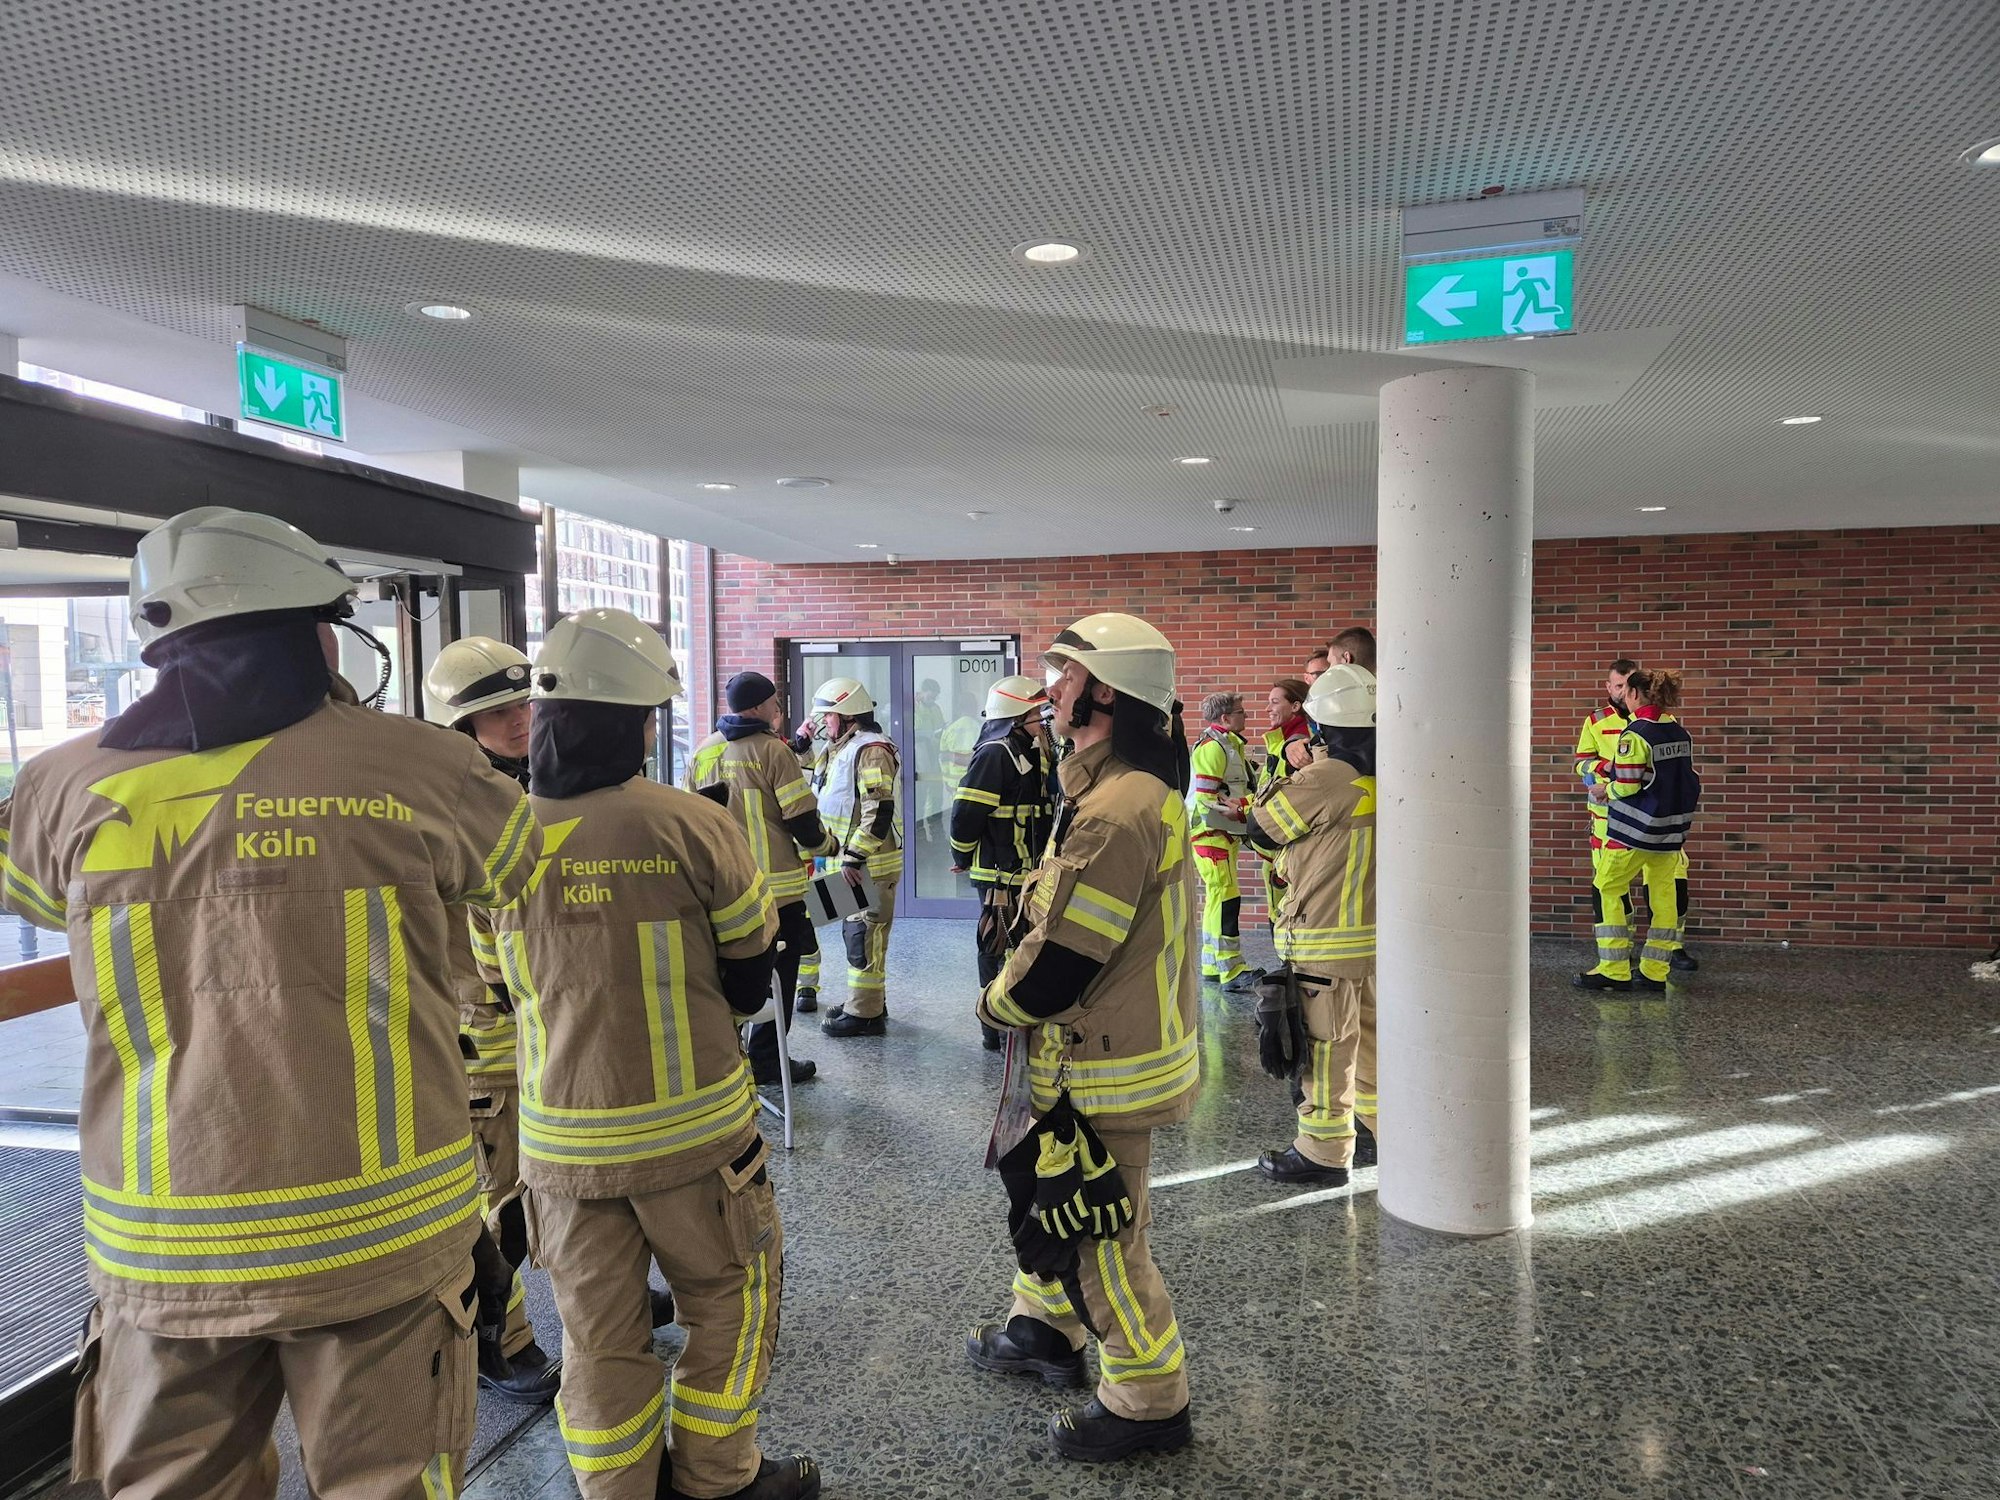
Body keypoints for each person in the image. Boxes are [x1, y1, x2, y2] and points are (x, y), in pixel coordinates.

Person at [0, 507, 539, 1497]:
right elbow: (511, 872)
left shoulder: (55, 786)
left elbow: (32, 895)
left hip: (160, 1247)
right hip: (378, 1238)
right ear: (313, 629)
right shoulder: (424, 768)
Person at [485, 608, 818, 1500]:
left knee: (598, 1337)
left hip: (559, 1150)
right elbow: (752, 983)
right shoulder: (687, 823)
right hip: (696, 1141)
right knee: (731, 1304)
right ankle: (715, 1477)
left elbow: (495, 988)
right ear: (638, 718)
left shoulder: (500, 839)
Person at [967, 611, 1198, 1464]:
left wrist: (995, 1006)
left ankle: (1147, 1401)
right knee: (1052, 1201)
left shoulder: (1115, 811)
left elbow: (1062, 963)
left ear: (1107, 691)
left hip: (1100, 1065)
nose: (1049, 689)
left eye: (1063, 675)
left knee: (1103, 1239)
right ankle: (1043, 1329)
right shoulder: (1113, 789)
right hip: (1089, 1058)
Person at [424, 636, 568, 1405]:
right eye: (498, 712)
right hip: (481, 1033)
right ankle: (500, 1343)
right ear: (459, 725)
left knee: (552, 1180)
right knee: (499, 1194)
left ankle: (577, 1297)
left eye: (524, 705)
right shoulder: (447, 801)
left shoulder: (517, 786)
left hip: (539, 1025)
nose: (520, 721)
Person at [1245, 665, 1379, 1183]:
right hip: (1374, 942)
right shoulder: (1390, 773)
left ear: (1321, 727)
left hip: (1323, 941)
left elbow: (1262, 828)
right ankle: (1372, 1131)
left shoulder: (1325, 778)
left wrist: (1293, 765)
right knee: (1369, 1044)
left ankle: (1323, 1154)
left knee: (1323, 1052)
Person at [688, 671, 838, 1086]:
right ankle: (768, 1062)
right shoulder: (773, 751)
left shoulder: (702, 751)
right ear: (757, 707)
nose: (779, 710)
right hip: (776, 893)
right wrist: (829, 846)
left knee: (725, 977)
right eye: (774, 703)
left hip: (718, 891)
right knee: (777, 977)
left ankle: (726, 1060)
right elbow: (802, 820)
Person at [1574, 668, 1700, 994]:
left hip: (1635, 830)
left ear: (1633, 695)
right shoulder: (1678, 732)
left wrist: (1605, 791)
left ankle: (1614, 969)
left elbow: (1628, 786)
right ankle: (1655, 972)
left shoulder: (1635, 733)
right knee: (1663, 897)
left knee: (1606, 885)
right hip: (1670, 833)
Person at [949, 674, 1057, 1051]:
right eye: (1036, 714)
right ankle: (991, 1025)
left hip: (1027, 870)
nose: (1043, 721)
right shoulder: (996, 753)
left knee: (1024, 945)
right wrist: (960, 855)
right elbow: (965, 813)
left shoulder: (1034, 749)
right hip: (998, 872)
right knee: (994, 944)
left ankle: (1015, 1015)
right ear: (1015, 717)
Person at [809, 677, 902, 1038]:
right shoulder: (840, 747)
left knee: (865, 938)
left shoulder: (871, 749)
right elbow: (813, 786)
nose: (822, 723)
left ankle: (866, 1014)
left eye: (828, 716)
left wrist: (853, 856)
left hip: (867, 866)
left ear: (848, 715)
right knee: (855, 935)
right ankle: (864, 1001)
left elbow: (878, 811)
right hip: (849, 865)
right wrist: (801, 744)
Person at [1187, 691, 1259, 994]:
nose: (1246, 716)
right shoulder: (1215, 747)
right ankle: (1231, 968)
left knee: (1219, 895)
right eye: (1241, 712)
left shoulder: (1226, 745)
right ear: (1225, 718)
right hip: (1211, 833)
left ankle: (1212, 965)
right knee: (1227, 896)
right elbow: (1206, 798)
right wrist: (1244, 805)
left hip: (1219, 834)